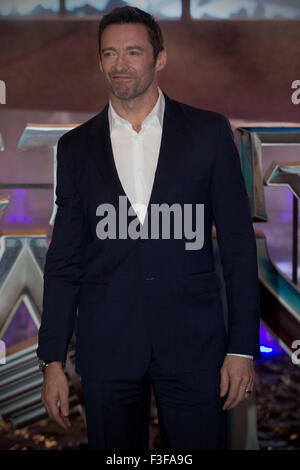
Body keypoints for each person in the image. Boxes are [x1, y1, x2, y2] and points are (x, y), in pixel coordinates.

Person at [37, 6, 260, 450]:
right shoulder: (75, 147)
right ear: (100, 61)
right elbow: (64, 262)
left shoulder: (209, 133)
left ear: (160, 58)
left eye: (134, 52)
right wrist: (52, 360)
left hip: (195, 348)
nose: (121, 64)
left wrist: (242, 348)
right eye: (110, 53)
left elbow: (237, 248)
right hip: (107, 349)